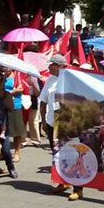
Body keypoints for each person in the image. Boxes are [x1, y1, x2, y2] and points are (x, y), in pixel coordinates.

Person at [41, 54, 84, 200]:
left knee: (72, 155)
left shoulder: (72, 80)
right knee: (57, 155)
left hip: (68, 125)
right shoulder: (50, 81)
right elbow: (43, 101)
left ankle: (78, 188)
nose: (48, 67)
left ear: (59, 65)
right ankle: (62, 182)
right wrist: (43, 121)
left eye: (51, 65)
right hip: (52, 123)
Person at [1, 67, 26, 163]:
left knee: (17, 131)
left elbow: (21, 89)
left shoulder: (17, 76)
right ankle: (3, 152)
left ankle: (17, 152)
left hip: (15, 105)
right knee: (3, 130)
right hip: (4, 105)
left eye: (7, 67)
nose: (5, 69)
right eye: (4, 67)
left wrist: (10, 92)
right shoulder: (3, 77)